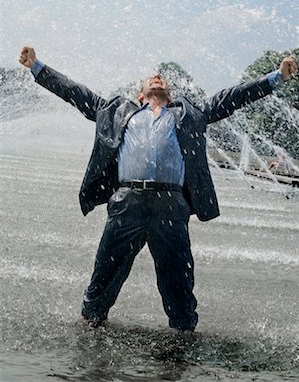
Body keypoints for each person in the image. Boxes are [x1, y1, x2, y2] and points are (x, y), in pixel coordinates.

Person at [19, 47, 297, 332]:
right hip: (127, 203)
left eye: (162, 79)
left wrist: (277, 76)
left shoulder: (191, 112)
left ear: (170, 94)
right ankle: (90, 324)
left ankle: (183, 336)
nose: (157, 77)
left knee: (177, 279)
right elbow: (76, 93)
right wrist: (37, 66)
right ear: (140, 95)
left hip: (171, 205)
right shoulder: (116, 111)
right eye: (151, 78)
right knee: (105, 273)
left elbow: (233, 97)